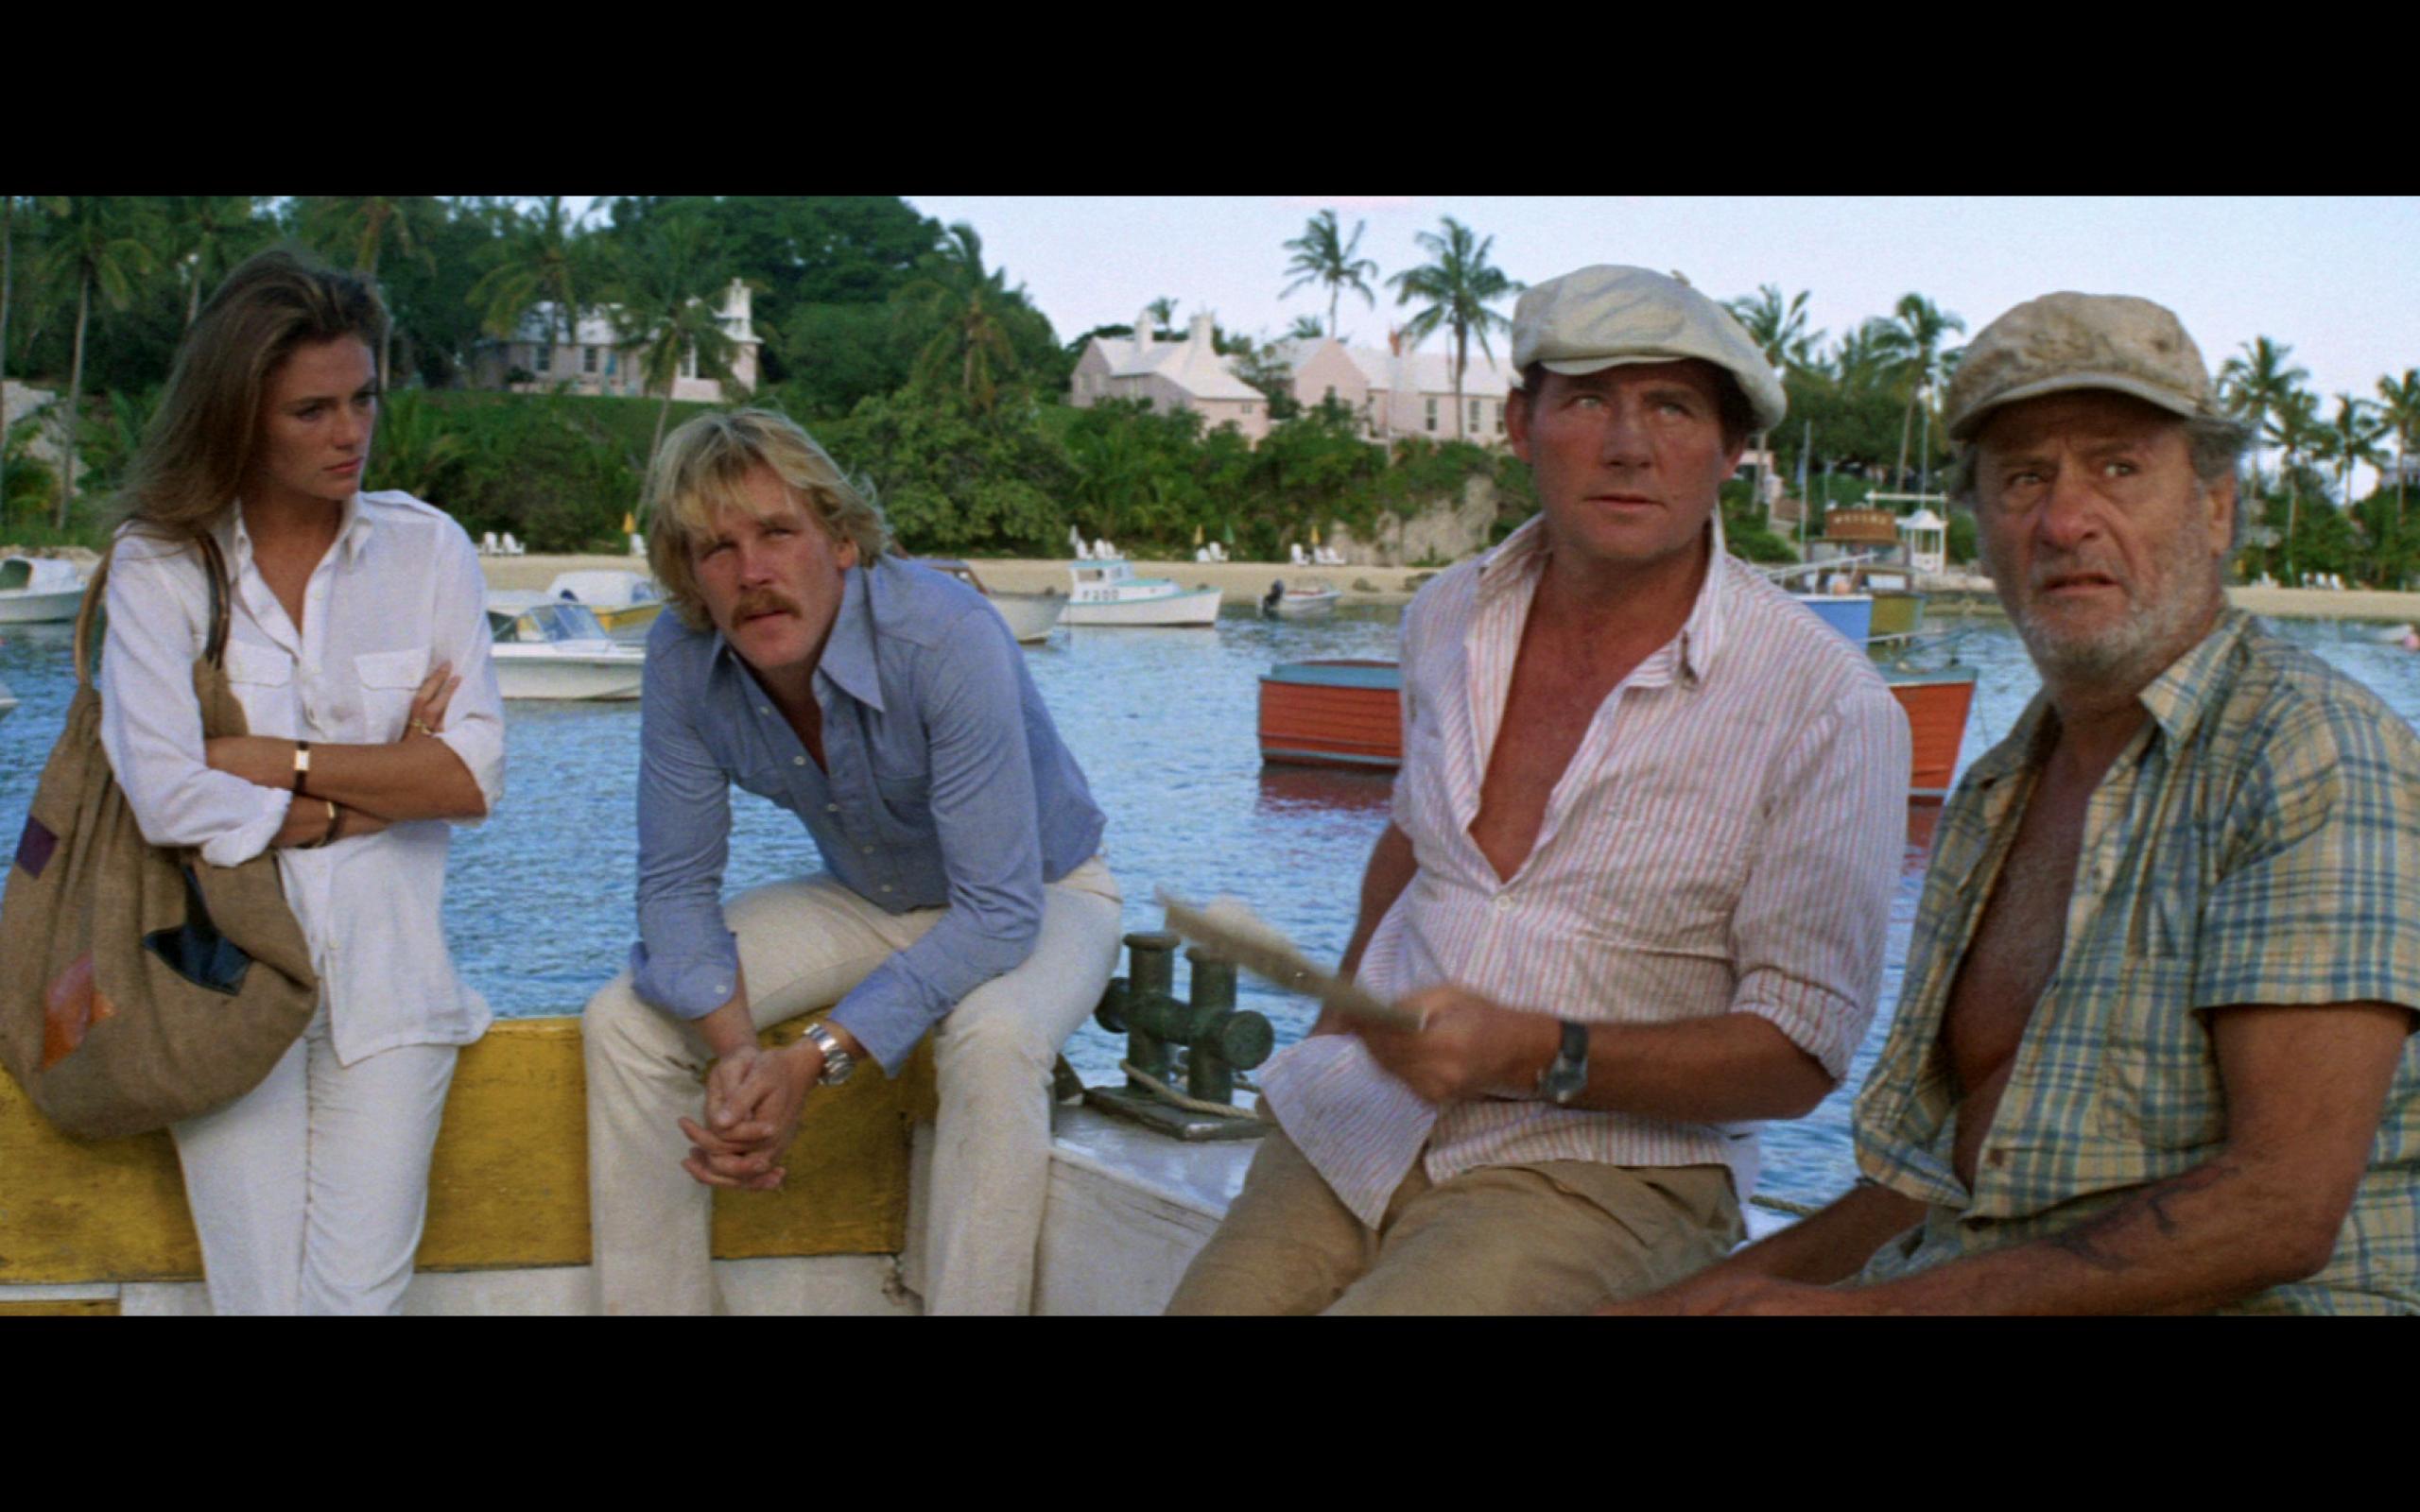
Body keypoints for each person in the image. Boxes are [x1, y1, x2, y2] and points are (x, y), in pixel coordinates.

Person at [1616, 292, 2420, 1314]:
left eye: (2118, 468)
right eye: (2024, 478)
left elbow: (2280, 1207)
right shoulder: (2002, 787)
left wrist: (1865, 1315)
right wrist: (1680, 1304)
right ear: (1983, 522)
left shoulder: (2310, 751)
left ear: (2216, 507)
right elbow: (1927, 1186)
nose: (2064, 521)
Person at [1165, 266, 1910, 1314]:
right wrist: (1336, 1031)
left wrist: (1537, 1053)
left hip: (1605, 1170)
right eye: (1589, 399)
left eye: (1673, 407)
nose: (1629, 445)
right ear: (1522, 423)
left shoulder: (1826, 703)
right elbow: (1410, 844)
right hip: (1359, 1126)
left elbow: (1798, 1059)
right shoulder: (1445, 615)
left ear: (1732, 450)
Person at [580, 408, 1122, 1315]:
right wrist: (744, 1062)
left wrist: (811, 1061)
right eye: (716, 549)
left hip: (1042, 890)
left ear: (839, 541)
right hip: (870, 895)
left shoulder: (944, 634)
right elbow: (674, 887)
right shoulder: (681, 656)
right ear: (688, 574)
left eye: (777, 532)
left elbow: (997, 915)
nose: (752, 573)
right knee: (627, 1020)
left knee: (993, 1040)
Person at [97, 248, 505, 1314]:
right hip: (222, 978)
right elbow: (165, 795)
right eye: (311, 410)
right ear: (239, 414)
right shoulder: (160, 564)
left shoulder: (428, 551)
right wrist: (364, 798)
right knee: (258, 1298)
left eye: (362, 398)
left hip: (393, 982)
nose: (349, 432)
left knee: (357, 1300)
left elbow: (470, 776)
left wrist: (271, 763)